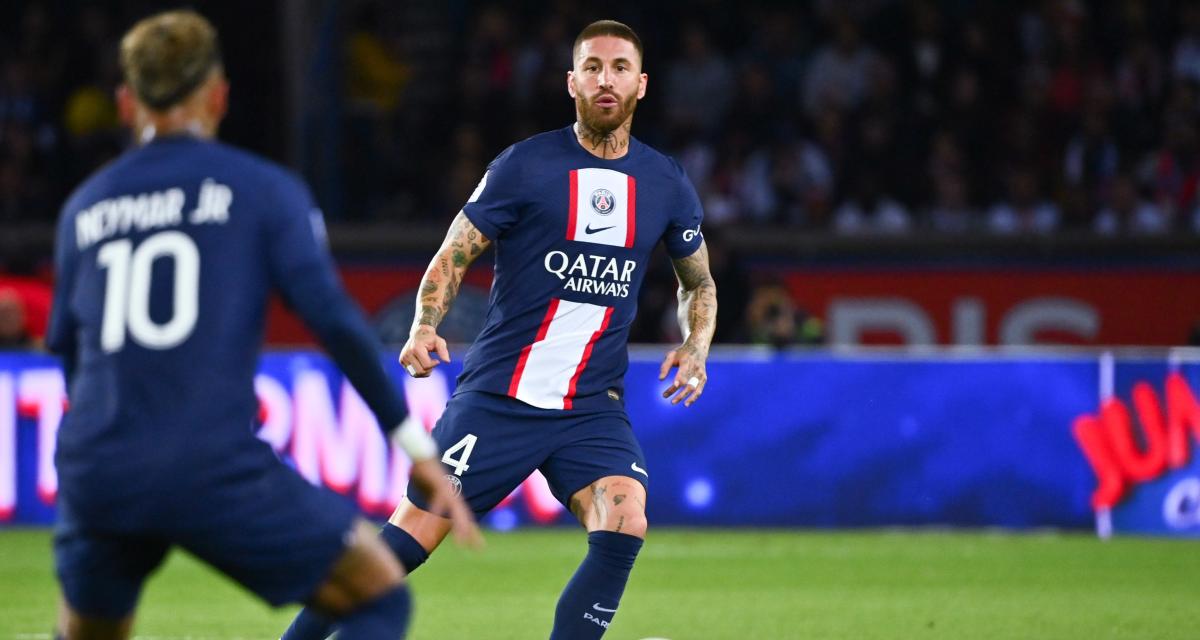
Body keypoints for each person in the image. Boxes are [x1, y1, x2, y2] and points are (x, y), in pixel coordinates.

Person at [45, 11, 480, 640]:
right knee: (377, 596)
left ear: (124, 103)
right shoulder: (261, 190)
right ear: (219, 96)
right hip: (208, 463)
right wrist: (415, 449)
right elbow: (335, 323)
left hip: (99, 469)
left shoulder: (83, 209)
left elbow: (70, 356)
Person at [283, 19, 718, 640]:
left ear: (641, 84)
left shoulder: (665, 182)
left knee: (625, 518)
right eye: (592, 67)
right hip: (499, 399)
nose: (606, 80)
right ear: (571, 82)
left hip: (590, 406)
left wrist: (696, 345)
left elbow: (698, 282)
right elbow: (454, 254)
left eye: (620, 68)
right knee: (403, 544)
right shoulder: (525, 166)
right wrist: (423, 324)